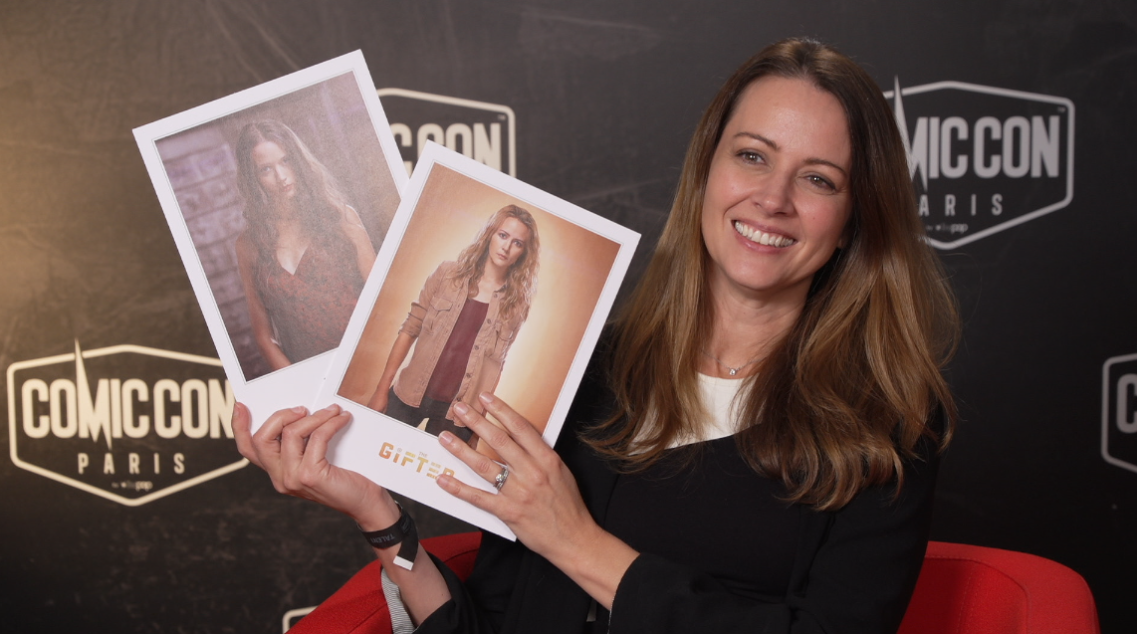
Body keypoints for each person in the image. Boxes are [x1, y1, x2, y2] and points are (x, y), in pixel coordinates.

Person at [233, 37, 959, 634]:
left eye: (820, 179)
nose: (772, 197)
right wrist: (377, 512)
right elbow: (493, 623)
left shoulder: (883, 428)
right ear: (706, 170)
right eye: (752, 155)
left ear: (854, 222)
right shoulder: (593, 371)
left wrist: (577, 543)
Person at [365, 205, 540, 447]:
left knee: (429, 482)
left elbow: (495, 367)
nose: (507, 247)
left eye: (518, 243)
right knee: (374, 452)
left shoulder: (516, 304)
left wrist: (479, 426)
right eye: (503, 235)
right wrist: (381, 389)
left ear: (523, 253)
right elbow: (409, 329)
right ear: (490, 234)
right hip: (408, 394)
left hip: (458, 413)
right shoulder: (447, 273)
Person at [233, 119, 376, 372]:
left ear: (298, 160)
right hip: (309, 372)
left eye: (286, 161)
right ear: (252, 178)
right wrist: (299, 384)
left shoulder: (341, 218)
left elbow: (383, 298)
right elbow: (264, 338)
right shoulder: (248, 246)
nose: (281, 176)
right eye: (265, 169)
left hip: (368, 357)